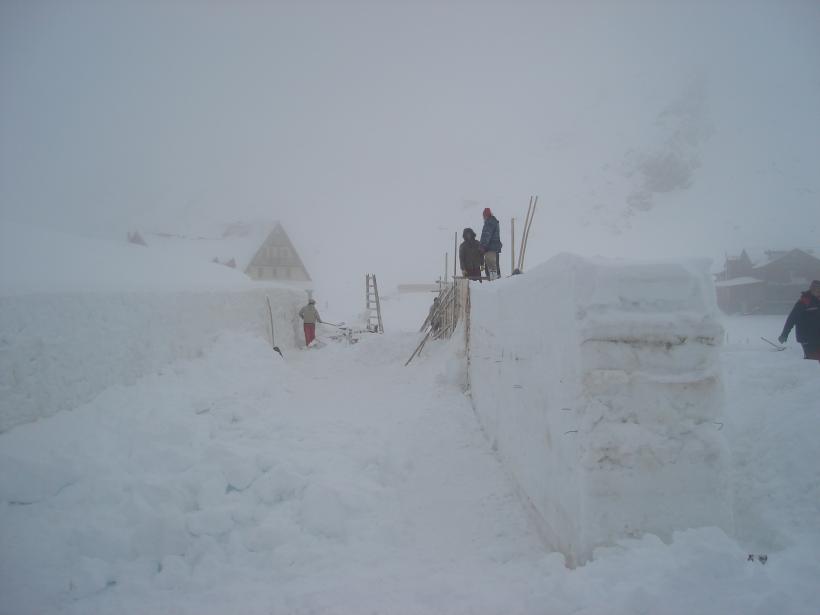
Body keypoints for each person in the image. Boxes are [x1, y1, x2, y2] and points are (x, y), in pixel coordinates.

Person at [778, 279, 820, 361]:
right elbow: (792, 319)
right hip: (807, 338)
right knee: (813, 361)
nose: (818, 292)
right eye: (817, 289)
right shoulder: (804, 302)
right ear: (812, 289)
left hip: (817, 337)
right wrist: (784, 334)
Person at [479, 207, 502, 280]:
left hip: (490, 249)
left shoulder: (489, 222)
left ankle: (494, 284)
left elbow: (486, 235)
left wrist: (482, 246)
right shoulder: (494, 222)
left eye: (483, 216)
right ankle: (497, 282)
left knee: (492, 269)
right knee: (495, 269)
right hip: (494, 248)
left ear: (485, 215)